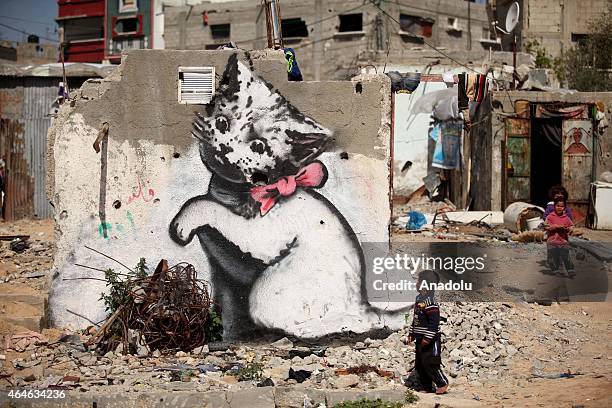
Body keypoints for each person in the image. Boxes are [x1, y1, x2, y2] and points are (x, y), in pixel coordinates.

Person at [402, 270, 449, 394]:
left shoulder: (430, 303)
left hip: (431, 339)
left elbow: (434, 324)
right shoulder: (419, 299)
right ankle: (426, 386)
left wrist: (427, 339)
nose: (416, 283)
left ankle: (442, 383)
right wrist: (411, 334)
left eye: (418, 281)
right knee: (420, 364)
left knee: (431, 363)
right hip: (419, 337)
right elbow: (416, 319)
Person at [545, 197, 575, 277]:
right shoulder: (550, 217)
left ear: (564, 207)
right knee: (554, 258)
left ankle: (570, 269)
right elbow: (546, 226)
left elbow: (571, 226)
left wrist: (569, 229)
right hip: (552, 241)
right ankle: (556, 270)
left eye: (561, 206)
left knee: (566, 256)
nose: (559, 208)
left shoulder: (566, 218)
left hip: (563, 241)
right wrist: (555, 227)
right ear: (554, 206)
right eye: (558, 206)